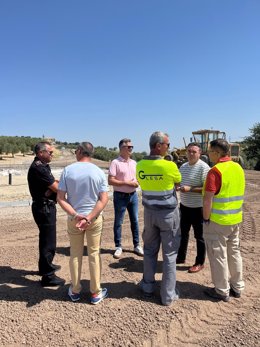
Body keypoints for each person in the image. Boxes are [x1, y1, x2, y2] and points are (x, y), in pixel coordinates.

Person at [57, 142, 109, 304]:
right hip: (93, 219)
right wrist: (89, 217)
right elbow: (103, 199)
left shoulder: (68, 170)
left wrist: (75, 215)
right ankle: (95, 292)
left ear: (80, 151)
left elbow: (60, 198)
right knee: (94, 254)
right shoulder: (99, 172)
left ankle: (75, 289)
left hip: (75, 219)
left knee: (75, 254)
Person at [136, 131, 181, 306]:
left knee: (149, 250)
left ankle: (147, 286)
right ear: (159, 146)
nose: (168, 148)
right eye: (167, 145)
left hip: (149, 214)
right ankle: (168, 295)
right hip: (168, 214)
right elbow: (177, 184)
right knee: (169, 255)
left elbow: (142, 184)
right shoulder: (170, 166)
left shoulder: (139, 165)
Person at [203, 139, 245, 302]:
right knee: (234, 253)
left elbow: (208, 200)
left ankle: (221, 290)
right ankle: (237, 286)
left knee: (218, 255)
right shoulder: (238, 168)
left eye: (210, 151)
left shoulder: (215, 171)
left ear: (217, 153)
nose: (208, 154)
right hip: (235, 220)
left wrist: (206, 218)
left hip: (218, 221)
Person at [27, 141, 65, 287]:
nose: (52, 154)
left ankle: (46, 266)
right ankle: (48, 276)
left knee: (46, 240)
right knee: (48, 242)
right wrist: (54, 188)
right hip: (44, 208)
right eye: (50, 152)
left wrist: (52, 188)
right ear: (40, 153)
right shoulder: (39, 168)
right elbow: (56, 187)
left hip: (44, 206)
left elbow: (53, 185)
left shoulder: (42, 167)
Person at [176, 143, 210, 273]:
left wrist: (190, 189)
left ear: (199, 153)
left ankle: (199, 262)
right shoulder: (183, 167)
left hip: (198, 208)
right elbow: (179, 181)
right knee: (183, 234)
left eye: (194, 152)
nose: (191, 154)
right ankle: (181, 257)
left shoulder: (203, 168)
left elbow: (207, 189)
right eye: (189, 151)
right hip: (184, 206)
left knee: (200, 237)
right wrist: (177, 185)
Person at [108, 138, 143, 259]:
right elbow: (110, 180)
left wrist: (137, 182)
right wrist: (128, 183)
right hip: (120, 196)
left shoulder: (134, 163)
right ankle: (118, 246)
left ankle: (137, 245)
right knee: (118, 222)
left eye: (132, 147)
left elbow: (138, 178)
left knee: (135, 221)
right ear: (121, 148)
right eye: (129, 147)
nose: (131, 149)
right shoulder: (115, 163)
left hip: (133, 196)